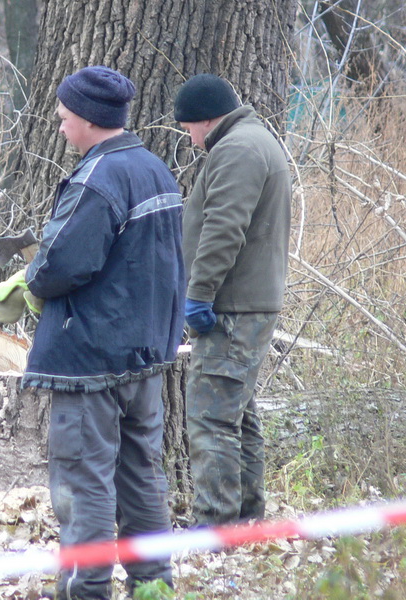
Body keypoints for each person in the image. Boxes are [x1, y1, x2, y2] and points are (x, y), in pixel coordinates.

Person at [16, 65, 186, 599]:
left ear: (89, 119)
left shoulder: (97, 179)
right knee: (142, 478)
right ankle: (154, 588)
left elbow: (61, 264)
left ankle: (85, 591)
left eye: (64, 116)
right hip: (145, 356)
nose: (60, 124)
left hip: (90, 360)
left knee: (83, 482)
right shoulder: (155, 169)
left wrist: (28, 281)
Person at [173, 74, 291, 526]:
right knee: (236, 417)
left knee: (211, 419)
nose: (190, 138)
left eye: (189, 127)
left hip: (232, 307)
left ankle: (215, 528)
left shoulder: (237, 148)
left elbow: (224, 229)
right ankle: (245, 524)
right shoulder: (254, 140)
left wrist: (199, 294)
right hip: (245, 303)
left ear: (206, 118)